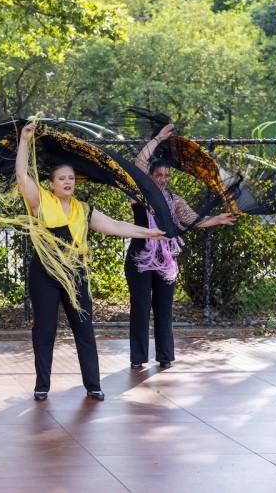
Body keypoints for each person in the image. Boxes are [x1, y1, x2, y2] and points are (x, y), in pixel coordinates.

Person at [16, 122, 166, 402]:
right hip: (45, 274)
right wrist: (25, 140)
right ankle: (42, 386)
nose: (67, 181)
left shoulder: (84, 209)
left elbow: (116, 226)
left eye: (71, 177)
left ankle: (93, 385)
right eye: (61, 178)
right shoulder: (40, 202)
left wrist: (150, 232)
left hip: (75, 274)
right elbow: (22, 174)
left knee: (84, 329)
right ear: (52, 183)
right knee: (45, 330)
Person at [127, 123, 237, 370]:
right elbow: (139, 163)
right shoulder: (139, 195)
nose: (163, 180)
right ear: (150, 177)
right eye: (158, 176)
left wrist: (218, 219)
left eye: (166, 176)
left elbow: (193, 220)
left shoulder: (174, 201)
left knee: (164, 308)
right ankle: (138, 358)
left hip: (165, 261)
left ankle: (165, 356)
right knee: (141, 307)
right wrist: (157, 139)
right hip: (140, 258)